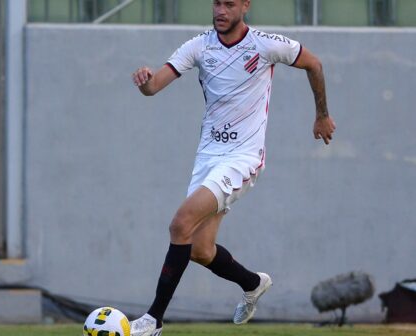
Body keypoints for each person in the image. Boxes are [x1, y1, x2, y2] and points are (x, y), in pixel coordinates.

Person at [130, 0, 336, 335]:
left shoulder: (265, 45)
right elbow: (154, 87)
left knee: (180, 223)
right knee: (199, 249)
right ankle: (253, 283)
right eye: (216, 3)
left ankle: (153, 321)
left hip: (243, 158)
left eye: (229, 3)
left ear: (245, 6)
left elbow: (314, 64)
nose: (220, 10)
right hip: (208, 157)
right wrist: (144, 82)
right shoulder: (198, 46)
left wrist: (322, 114)